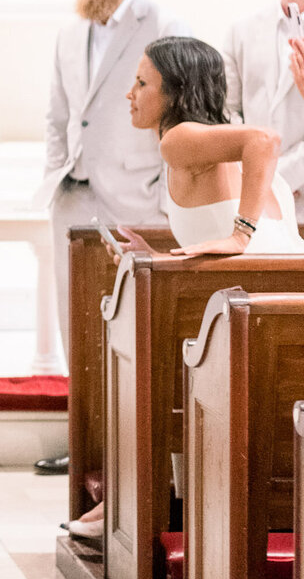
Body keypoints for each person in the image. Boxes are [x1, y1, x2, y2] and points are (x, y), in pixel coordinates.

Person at [67, 35, 303, 543]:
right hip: (282, 308)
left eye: (141, 82)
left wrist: (241, 233)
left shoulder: (180, 139)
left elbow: (264, 142)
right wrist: (143, 252)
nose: (130, 94)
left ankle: (130, 506)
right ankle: (131, 501)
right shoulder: (209, 138)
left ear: (172, 92)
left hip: (252, 314)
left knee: (142, 357)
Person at [36, 0, 187, 472]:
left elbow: (182, 114)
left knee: (134, 329)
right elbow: (59, 114)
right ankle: (89, 451)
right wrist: (58, 165)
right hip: (73, 195)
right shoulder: (69, 33)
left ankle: (133, 457)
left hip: (135, 196)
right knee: (76, 324)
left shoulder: (164, 25)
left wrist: (163, 194)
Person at [224, 0, 304, 223]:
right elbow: (229, 112)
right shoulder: (241, 31)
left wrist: (283, 177)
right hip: (253, 196)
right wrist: (256, 171)